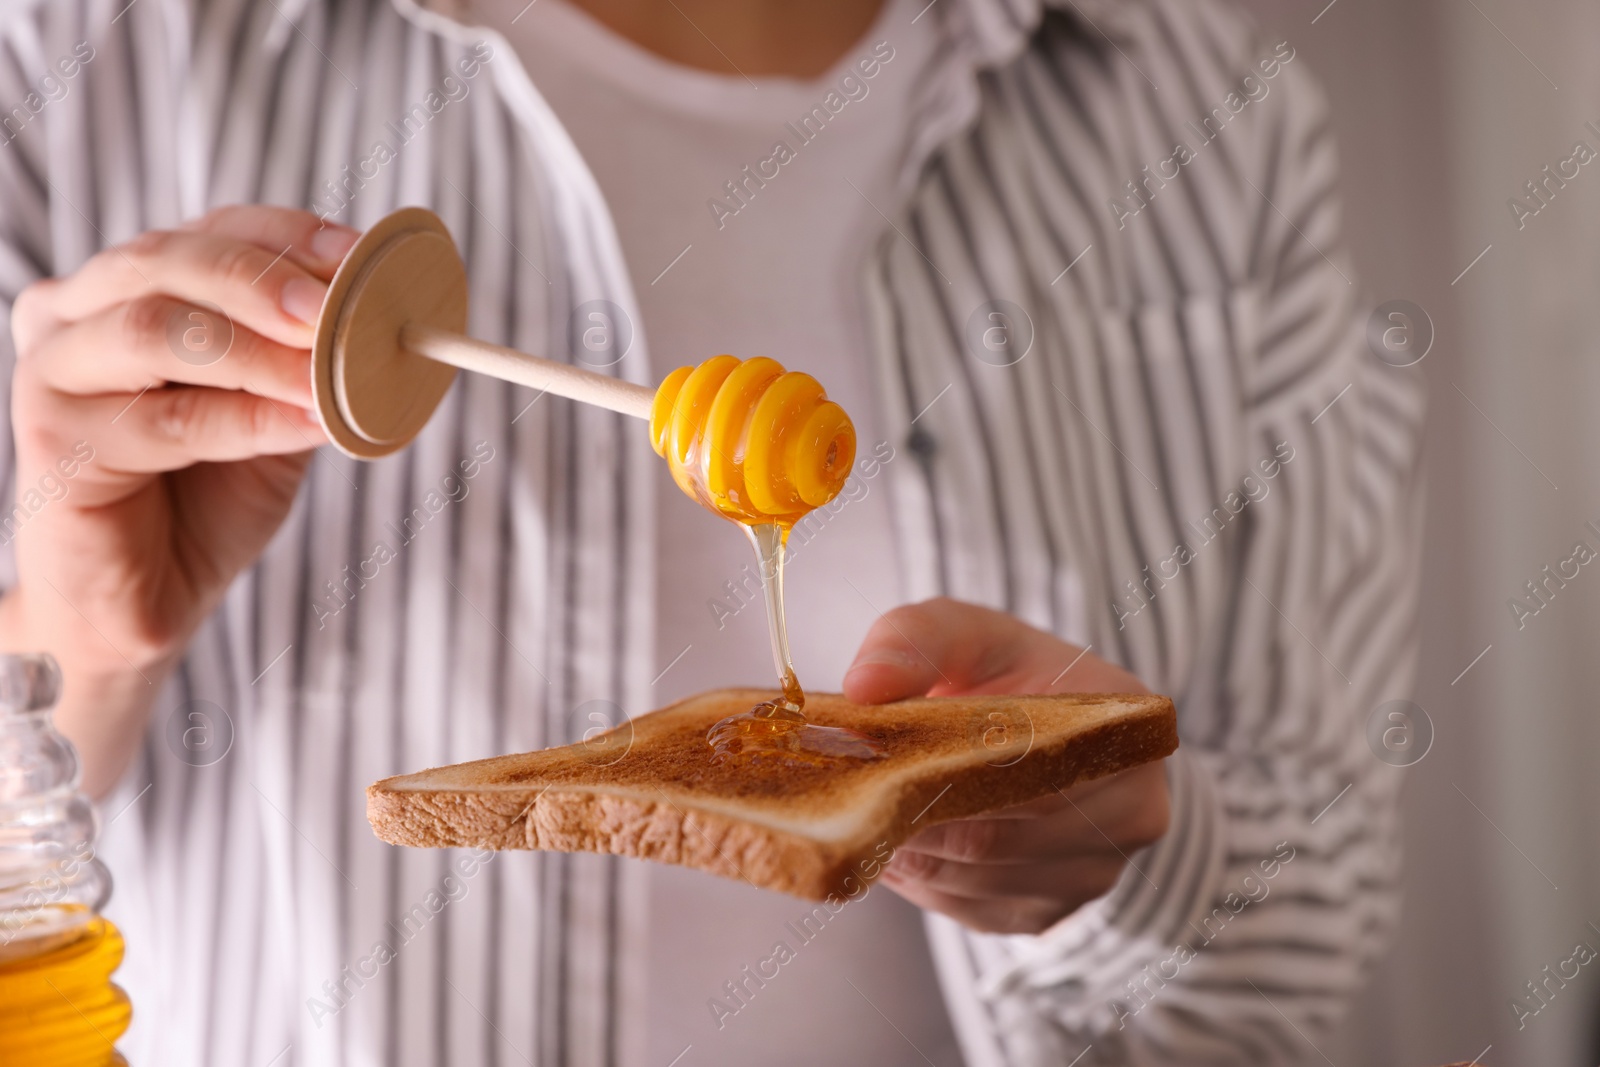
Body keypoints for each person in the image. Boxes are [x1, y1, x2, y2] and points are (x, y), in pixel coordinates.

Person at [0, 0, 1423, 1063]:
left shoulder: (1208, 115)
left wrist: (1145, 855)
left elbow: (1318, 926)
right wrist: (86, 639)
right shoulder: (77, 58)